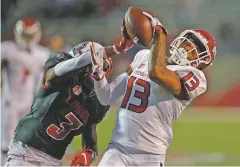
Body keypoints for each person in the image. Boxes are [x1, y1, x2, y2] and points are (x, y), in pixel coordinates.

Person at [91, 11, 216, 166]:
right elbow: (106, 96)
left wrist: (159, 33)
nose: (188, 49)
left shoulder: (195, 76)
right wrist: (99, 76)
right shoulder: (143, 56)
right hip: (118, 150)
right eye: (188, 42)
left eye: (196, 49)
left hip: (150, 156)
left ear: (202, 63)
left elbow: (157, 72)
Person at [4, 27, 133, 166]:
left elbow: (91, 140)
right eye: (96, 62)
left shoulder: (95, 100)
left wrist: (89, 154)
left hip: (54, 162)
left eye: (104, 66)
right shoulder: (60, 74)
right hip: (26, 154)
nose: (100, 68)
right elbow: (75, 63)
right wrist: (118, 48)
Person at [1, 17, 50, 164]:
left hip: (30, 103)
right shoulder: (7, 50)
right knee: (7, 143)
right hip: (10, 101)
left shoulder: (42, 54)